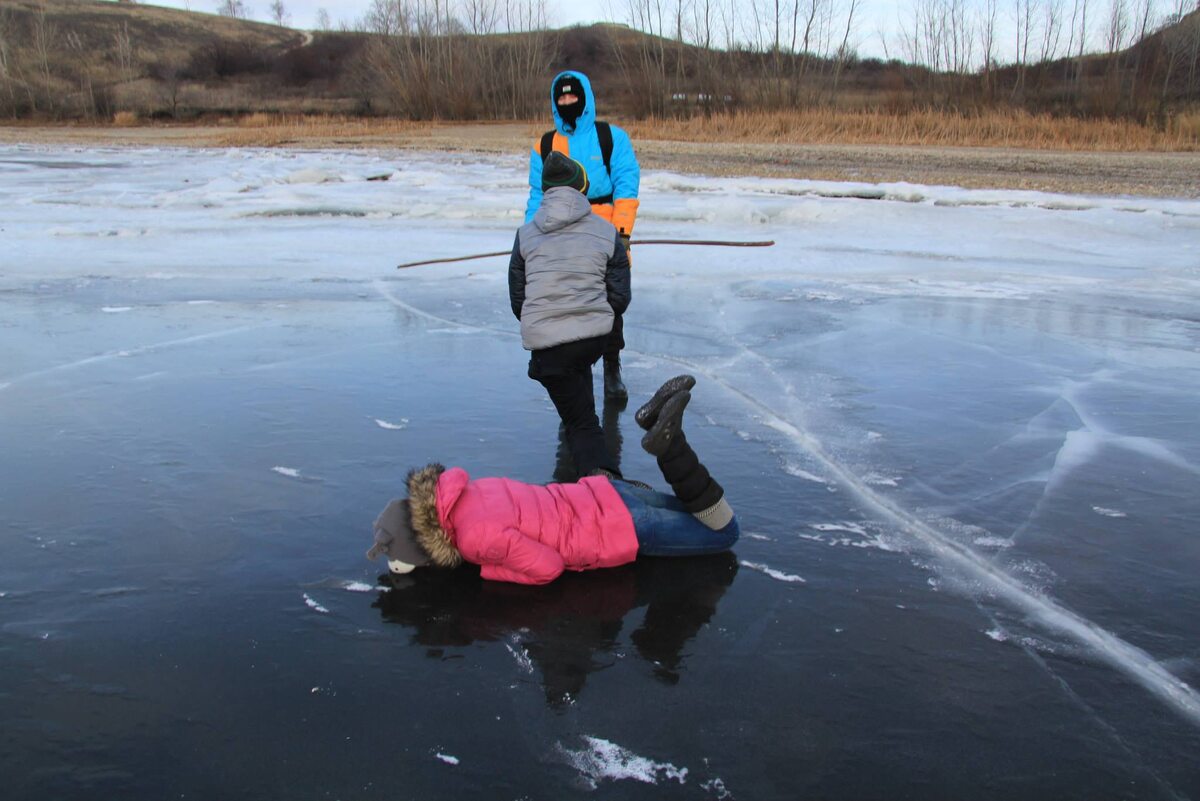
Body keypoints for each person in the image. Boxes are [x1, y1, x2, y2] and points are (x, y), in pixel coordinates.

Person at [366, 375, 739, 586]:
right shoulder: (468, 489)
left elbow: (547, 567)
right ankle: (663, 432)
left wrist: (487, 568)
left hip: (620, 528)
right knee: (701, 512)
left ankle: (672, 446)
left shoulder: (473, 540)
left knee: (724, 532)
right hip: (603, 493)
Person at [510, 151, 629, 480]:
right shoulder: (607, 233)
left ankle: (605, 487)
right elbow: (619, 295)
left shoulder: (525, 235)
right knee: (580, 401)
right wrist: (595, 317)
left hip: (548, 345)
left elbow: (518, 299)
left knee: (580, 424)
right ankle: (594, 482)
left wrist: (547, 321)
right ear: (582, 188)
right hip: (593, 338)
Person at [525, 70, 640, 401]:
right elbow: (536, 196)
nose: (567, 102)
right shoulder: (544, 145)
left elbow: (626, 185)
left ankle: (612, 367)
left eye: (572, 97)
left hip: (604, 234)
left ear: (585, 98)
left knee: (611, 304)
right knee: (566, 304)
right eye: (560, 98)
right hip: (557, 235)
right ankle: (576, 379)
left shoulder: (611, 138)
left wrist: (622, 233)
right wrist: (530, 240)